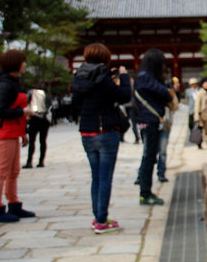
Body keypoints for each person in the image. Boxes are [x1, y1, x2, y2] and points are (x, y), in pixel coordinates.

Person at [71, 43, 131, 234]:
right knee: (105, 177)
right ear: (105, 57)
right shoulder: (103, 78)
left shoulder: (79, 76)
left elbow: (76, 103)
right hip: (105, 130)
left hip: (86, 131)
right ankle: (102, 221)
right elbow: (124, 96)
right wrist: (123, 76)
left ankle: (98, 216)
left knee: (96, 176)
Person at [0, 49, 36, 223]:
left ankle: (13, 202)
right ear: (15, 63)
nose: (25, 64)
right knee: (2, 171)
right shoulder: (3, 84)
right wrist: (22, 111)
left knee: (14, 171)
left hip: (14, 131)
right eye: (23, 61)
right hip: (4, 132)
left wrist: (22, 133)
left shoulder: (14, 82)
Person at [134, 48, 173, 205]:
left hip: (150, 120)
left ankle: (146, 191)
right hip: (149, 121)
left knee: (150, 156)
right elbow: (166, 94)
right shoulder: (146, 78)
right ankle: (145, 193)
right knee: (149, 157)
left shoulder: (143, 77)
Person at [24, 85, 52, 168]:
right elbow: (50, 106)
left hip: (33, 117)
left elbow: (26, 102)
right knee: (42, 141)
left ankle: (29, 161)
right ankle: (41, 161)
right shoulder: (46, 95)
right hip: (44, 119)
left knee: (32, 140)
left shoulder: (30, 92)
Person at [185, 78, 200, 147]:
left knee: (198, 124)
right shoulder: (188, 91)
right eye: (192, 84)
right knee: (190, 123)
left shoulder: (199, 90)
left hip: (199, 110)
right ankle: (192, 134)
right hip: (191, 109)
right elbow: (187, 99)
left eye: (195, 84)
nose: (194, 85)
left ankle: (198, 139)